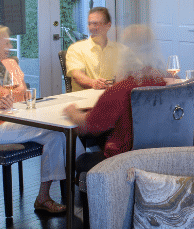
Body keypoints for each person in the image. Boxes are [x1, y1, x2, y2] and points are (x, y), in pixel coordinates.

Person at [0, 26, 67, 214]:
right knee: (58, 130)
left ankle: (43, 197)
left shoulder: (11, 64)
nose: (10, 46)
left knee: (57, 136)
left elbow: (24, 90)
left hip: (21, 119)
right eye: (6, 43)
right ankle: (82, 179)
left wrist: (26, 95)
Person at [63, 24, 166, 174]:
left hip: (122, 159)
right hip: (155, 156)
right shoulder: (159, 82)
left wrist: (72, 113)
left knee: (82, 159)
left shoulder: (120, 90)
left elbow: (89, 126)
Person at [65, 7, 124, 91]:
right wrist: (93, 83)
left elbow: (138, 72)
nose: (92, 27)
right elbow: (77, 75)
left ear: (108, 25)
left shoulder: (121, 49)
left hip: (113, 98)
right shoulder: (76, 49)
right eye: (89, 24)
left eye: (96, 24)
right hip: (85, 101)